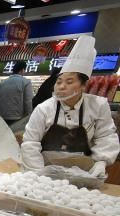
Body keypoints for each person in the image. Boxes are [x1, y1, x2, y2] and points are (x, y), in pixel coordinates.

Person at [21, 35, 119, 177]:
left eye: (69, 81)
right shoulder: (44, 108)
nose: (61, 86)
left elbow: (106, 136)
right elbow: (30, 143)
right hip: (45, 170)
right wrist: (38, 175)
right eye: (59, 81)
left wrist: (100, 162)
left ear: (83, 86)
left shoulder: (98, 106)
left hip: (84, 173)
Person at [0, 61, 33, 126]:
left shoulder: (2, 83)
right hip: (16, 119)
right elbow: (28, 102)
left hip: (0, 118)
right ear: (22, 70)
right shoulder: (26, 82)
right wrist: (29, 118)